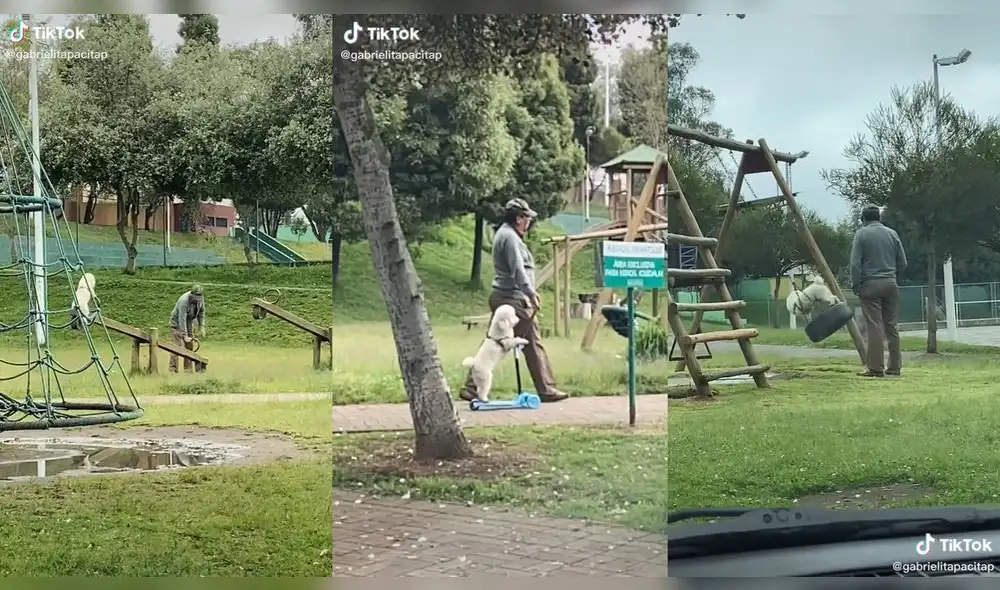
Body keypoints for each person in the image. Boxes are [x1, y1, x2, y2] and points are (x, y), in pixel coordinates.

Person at [459, 198, 569, 403]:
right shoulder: (509, 238)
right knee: (501, 343)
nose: (529, 222)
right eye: (527, 218)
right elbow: (518, 269)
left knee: (526, 342)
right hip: (513, 299)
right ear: (518, 218)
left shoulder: (506, 234)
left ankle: (545, 388)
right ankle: (473, 387)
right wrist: (531, 293)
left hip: (509, 297)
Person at [850, 205, 907, 378]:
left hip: (870, 285)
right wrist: (893, 277)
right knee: (891, 325)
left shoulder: (861, 234)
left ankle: (875, 368)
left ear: (863, 219)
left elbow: (855, 264)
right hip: (891, 283)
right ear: (879, 218)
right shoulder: (892, 233)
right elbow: (903, 262)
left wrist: (856, 284)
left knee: (874, 326)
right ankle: (895, 367)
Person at [169, 284, 206, 373]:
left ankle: (188, 370)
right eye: (196, 296)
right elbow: (181, 319)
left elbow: (201, 312)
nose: (197, 298)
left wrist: (201, 326)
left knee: (189, 346)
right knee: (176, 347)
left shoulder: (201, 299)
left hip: (189, 322)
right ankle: (173, 370)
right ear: (192, 294)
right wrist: (184, 335)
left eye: (199, 296)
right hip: (177, 323)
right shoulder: (184, 301)